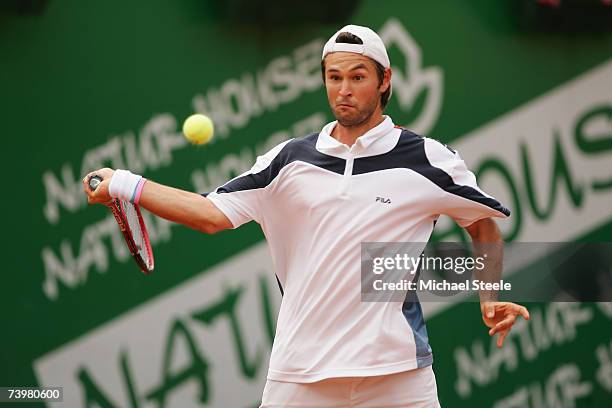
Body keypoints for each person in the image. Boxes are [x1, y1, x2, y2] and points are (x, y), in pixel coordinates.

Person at [83, 24, 530, 408]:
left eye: (358, 76)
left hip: (397, 374)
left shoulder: (428, 159)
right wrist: (124, 183)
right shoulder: (287, 161)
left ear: (384, 80)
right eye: (334, 77)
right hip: (300, 373)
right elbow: (209, 214)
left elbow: (481, 222)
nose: (345, 89)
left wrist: (488, 295)